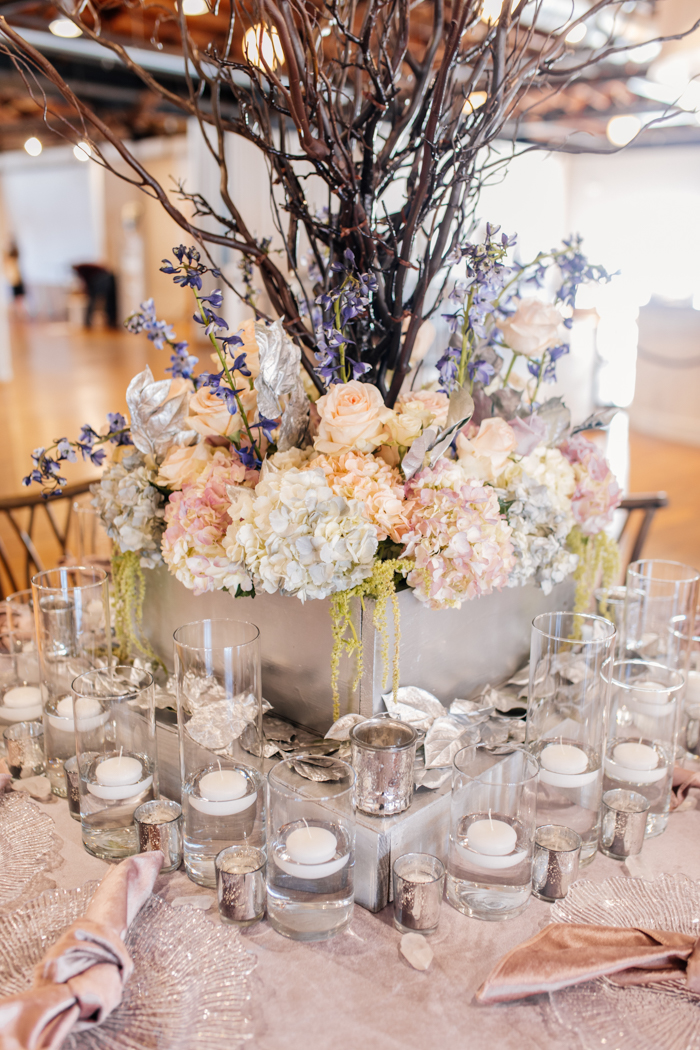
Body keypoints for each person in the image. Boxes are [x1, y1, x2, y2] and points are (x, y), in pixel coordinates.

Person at [72, 263, 118, 328]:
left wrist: (87, 292)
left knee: (92, 300)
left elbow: (86, 283)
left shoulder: (80, 270)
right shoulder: (85, 268)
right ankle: (111, 321)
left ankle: (87, 323)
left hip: (103, 279)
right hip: (110, 279)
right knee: (109, 300)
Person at [4, 242, 26, 318]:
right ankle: (16, 312)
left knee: (19, 298)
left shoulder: (14, 261)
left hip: (17, 280)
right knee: (15, 298)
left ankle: (19, 312)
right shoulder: (9, 262)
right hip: (13, 281)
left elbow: (17, 252)